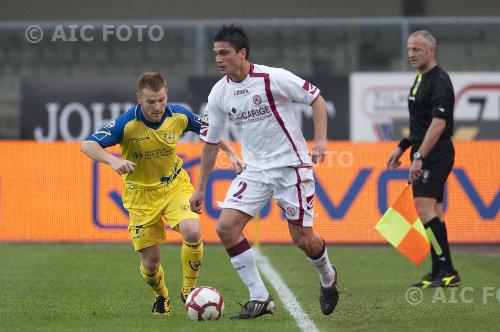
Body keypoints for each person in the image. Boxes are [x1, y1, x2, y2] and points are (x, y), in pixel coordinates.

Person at [189, 24, 339, 319]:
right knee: (226, 228)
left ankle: (328, 276)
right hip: (255, 170)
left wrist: (320, 141)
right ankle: (260, 297)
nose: (218, 59)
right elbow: (210, 142)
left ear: (242, 53)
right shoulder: (219, 93)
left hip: (291, 168)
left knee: (303, 239)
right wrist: (201, 187)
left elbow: (317, 98)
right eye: (215, 54)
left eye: (224, 53)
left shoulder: (272, 78)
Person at [81, 72, 243, 315]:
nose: (158, 107)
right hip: (141, 197)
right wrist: (112, 160)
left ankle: (189, 291)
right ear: (139, 99)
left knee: (193, 230)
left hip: (174, 185)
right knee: (150, 263)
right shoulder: (127, 124)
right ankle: (161, 296)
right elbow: (88, 145)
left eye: (161, 100)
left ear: (166, 95)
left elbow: (211, 132)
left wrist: (231, 153)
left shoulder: (178, 114)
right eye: (151, 102)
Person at [387, 30, 460, 288]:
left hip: (435, 152)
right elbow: (420, 124)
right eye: (409, 49)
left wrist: (419, 156)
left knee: (423, 207)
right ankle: (441, 270)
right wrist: (402, 146)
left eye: (416, 50)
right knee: (434, 212)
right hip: (425, 151)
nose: (411, 54)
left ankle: (447, 270)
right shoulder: (420, 79)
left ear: (431, 51)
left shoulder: (440, 81)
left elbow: (438, 125)